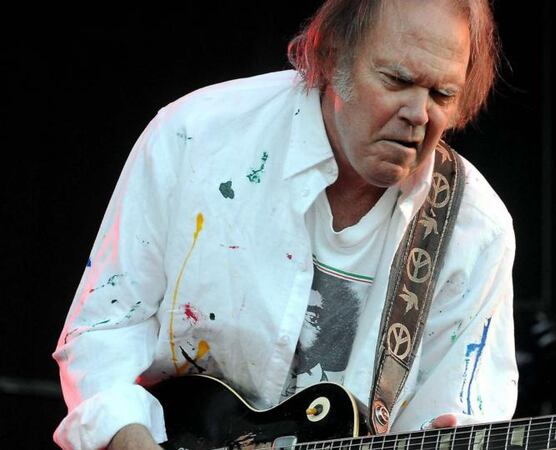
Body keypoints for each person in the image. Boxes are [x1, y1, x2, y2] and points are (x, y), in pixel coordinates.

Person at [52, 0, 518, 448]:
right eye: (397, 80)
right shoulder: (197, 137)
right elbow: (106, 328)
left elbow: (466, 410)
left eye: (443, 94)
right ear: (334, 54)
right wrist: (129, 438)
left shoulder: (474, 232)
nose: (419, 114)